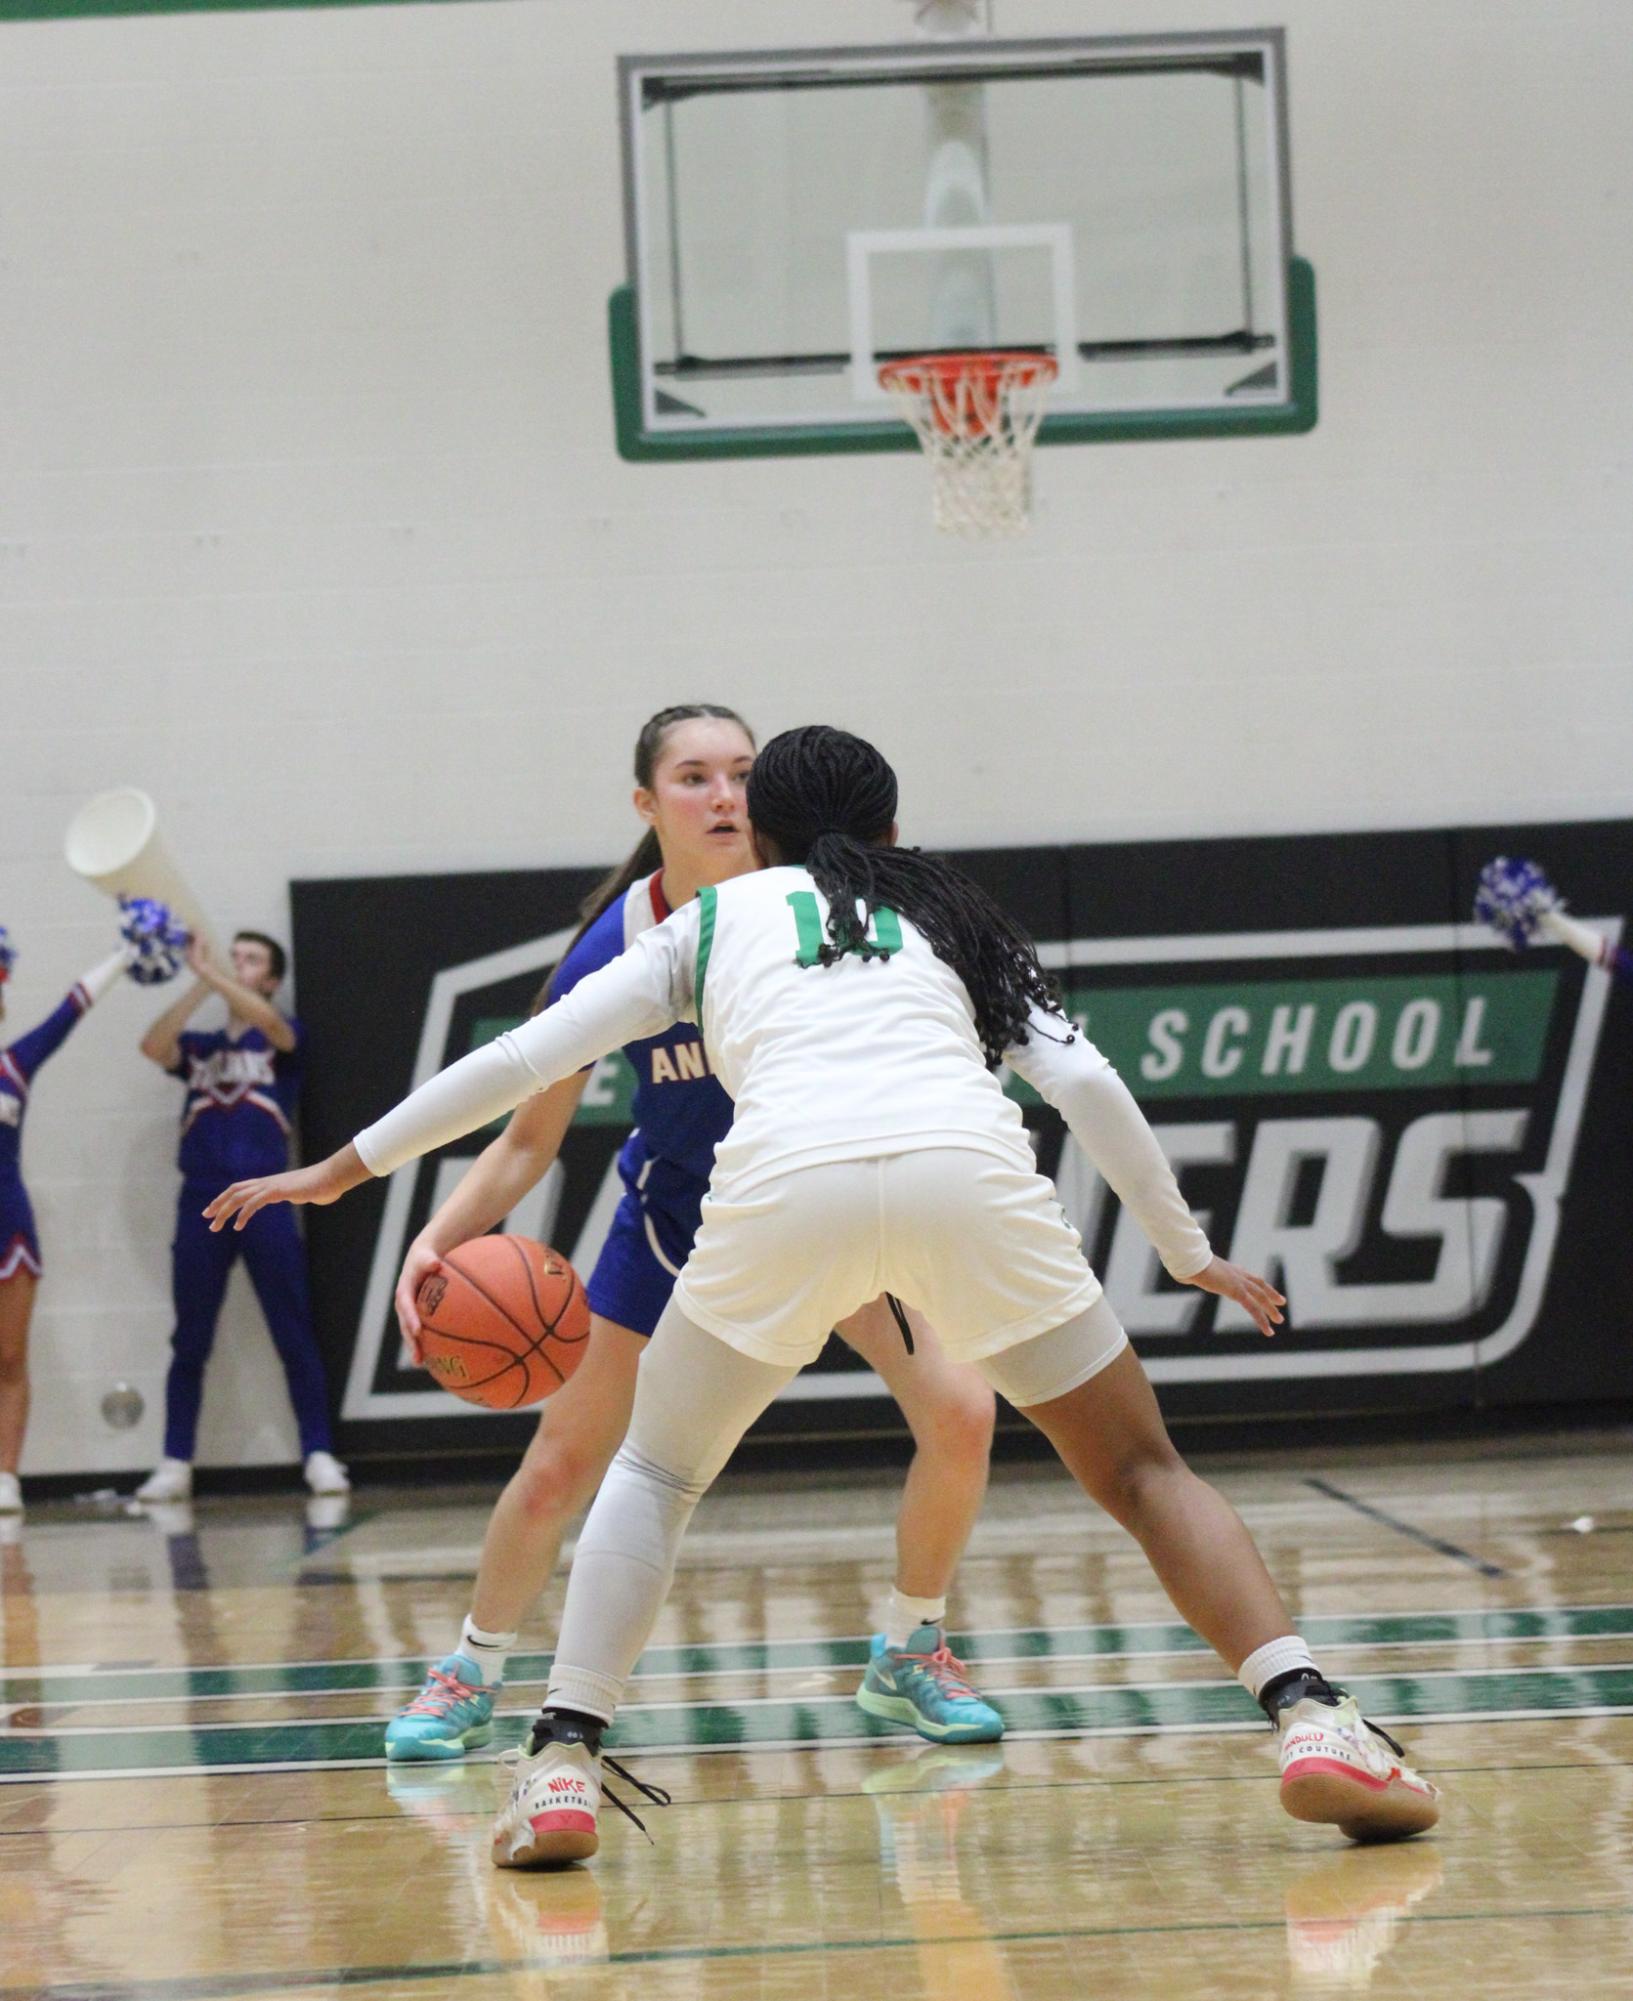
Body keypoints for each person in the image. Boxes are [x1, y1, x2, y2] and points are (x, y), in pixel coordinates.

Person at [208, 725, 1442, 1867]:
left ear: (769, 834)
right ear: (892, 832)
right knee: (1142, 1471)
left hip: (783, 1190)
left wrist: (340, 1168)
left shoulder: (713, 918)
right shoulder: (955, 913)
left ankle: (562, 1765)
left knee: (652, 1474)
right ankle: (1310, 1715)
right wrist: (1185, 1252)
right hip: (968, 1177)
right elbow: (1088, 1088)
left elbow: (526, 1060)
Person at [381, 704, 1001, 1758]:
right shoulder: (618, 943)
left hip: (820, 1213)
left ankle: (910, 1646)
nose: (721, 797)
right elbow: (528, 1141)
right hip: (674, 1230)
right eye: (693, 777)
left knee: (962, 1411)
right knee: (555, 1470)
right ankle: (470, 1668)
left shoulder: (834, 909)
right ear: (646, 802)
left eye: (740, 777)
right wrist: (434, 1237)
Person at [137, 931, 347, 1501]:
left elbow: (275, 1028)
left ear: (272, 980)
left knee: (292, 1327)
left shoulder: (282, 1038)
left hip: (267, 1199)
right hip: (202, 1200)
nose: (238, 965)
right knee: (190, 1337)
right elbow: (154, 1046)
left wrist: (214, 977)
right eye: (236, 958)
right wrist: (198, 983)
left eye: (251, 960)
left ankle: (319, 1453)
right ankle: (175, 1461)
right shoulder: (202, 1047)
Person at [0, 926, 134, 1512]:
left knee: (8, 1358)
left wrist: (127, 953)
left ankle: (5, 1477)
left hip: (8, 1226)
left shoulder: (16, 1064)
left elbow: (71, 1007)